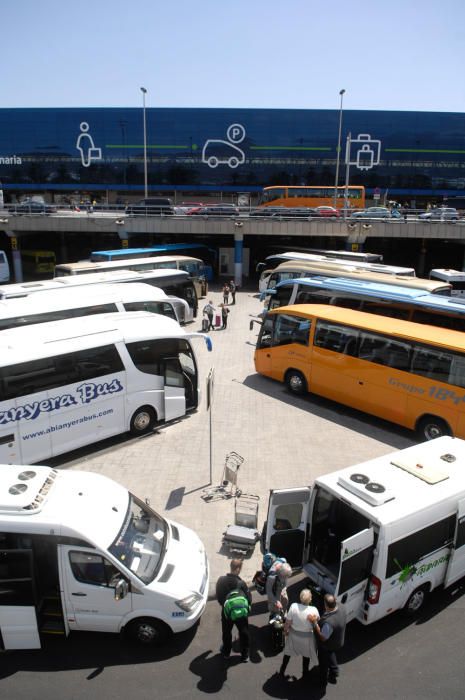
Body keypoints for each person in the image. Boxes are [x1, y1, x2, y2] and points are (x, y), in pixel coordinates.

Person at [278, 588, 320, 679]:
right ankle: (305, 673)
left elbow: (287, 623)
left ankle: (282, 670)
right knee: (306, 656)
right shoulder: (314, 610)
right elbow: (317, 621)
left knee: (288, 653)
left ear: (300, 598)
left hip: (294, 635)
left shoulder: (293, 606)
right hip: (307, 638)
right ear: (310, 599)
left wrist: (285, 632)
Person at [216, 559, 251, 662]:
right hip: (241, 615)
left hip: (226, 613)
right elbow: (249, 599)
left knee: (226, 633)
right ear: (238, 569)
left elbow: (219, 597)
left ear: (230, 566)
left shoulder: (221, 580)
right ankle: (244, 655)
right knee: (244, 633)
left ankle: (226, 652)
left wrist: (225, 605)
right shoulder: (241, 583)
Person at [310, 594, 347, 686]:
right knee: (331, 653)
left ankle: (322, 681)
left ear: (326, 605)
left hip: (328, 644)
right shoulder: (342, 607)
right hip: (338, 640)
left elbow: (323, 637)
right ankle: (334, 671)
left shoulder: (329, 623)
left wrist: (315, 623)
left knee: (323, 663)